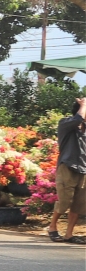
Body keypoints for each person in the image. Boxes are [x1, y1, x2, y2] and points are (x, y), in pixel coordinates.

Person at [50, 91, 85, 242]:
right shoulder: (65, 124)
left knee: (79, 204)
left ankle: (69, 234)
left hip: (84, 170)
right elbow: (78, 118)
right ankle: (52, 227)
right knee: (64, 201)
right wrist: (83, 105)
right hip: (68, 167)